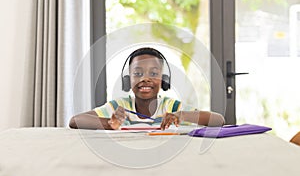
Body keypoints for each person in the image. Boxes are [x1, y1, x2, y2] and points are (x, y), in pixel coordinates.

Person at [69, 47, 225, 130]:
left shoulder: (172, 107)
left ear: (164, 80)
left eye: (154, 73)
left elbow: (218, 120)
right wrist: (110, 123)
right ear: (127, 80)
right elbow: (75, 121)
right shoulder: (118, 107)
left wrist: (181, 115)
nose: (145, 78)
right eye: (137, 73)